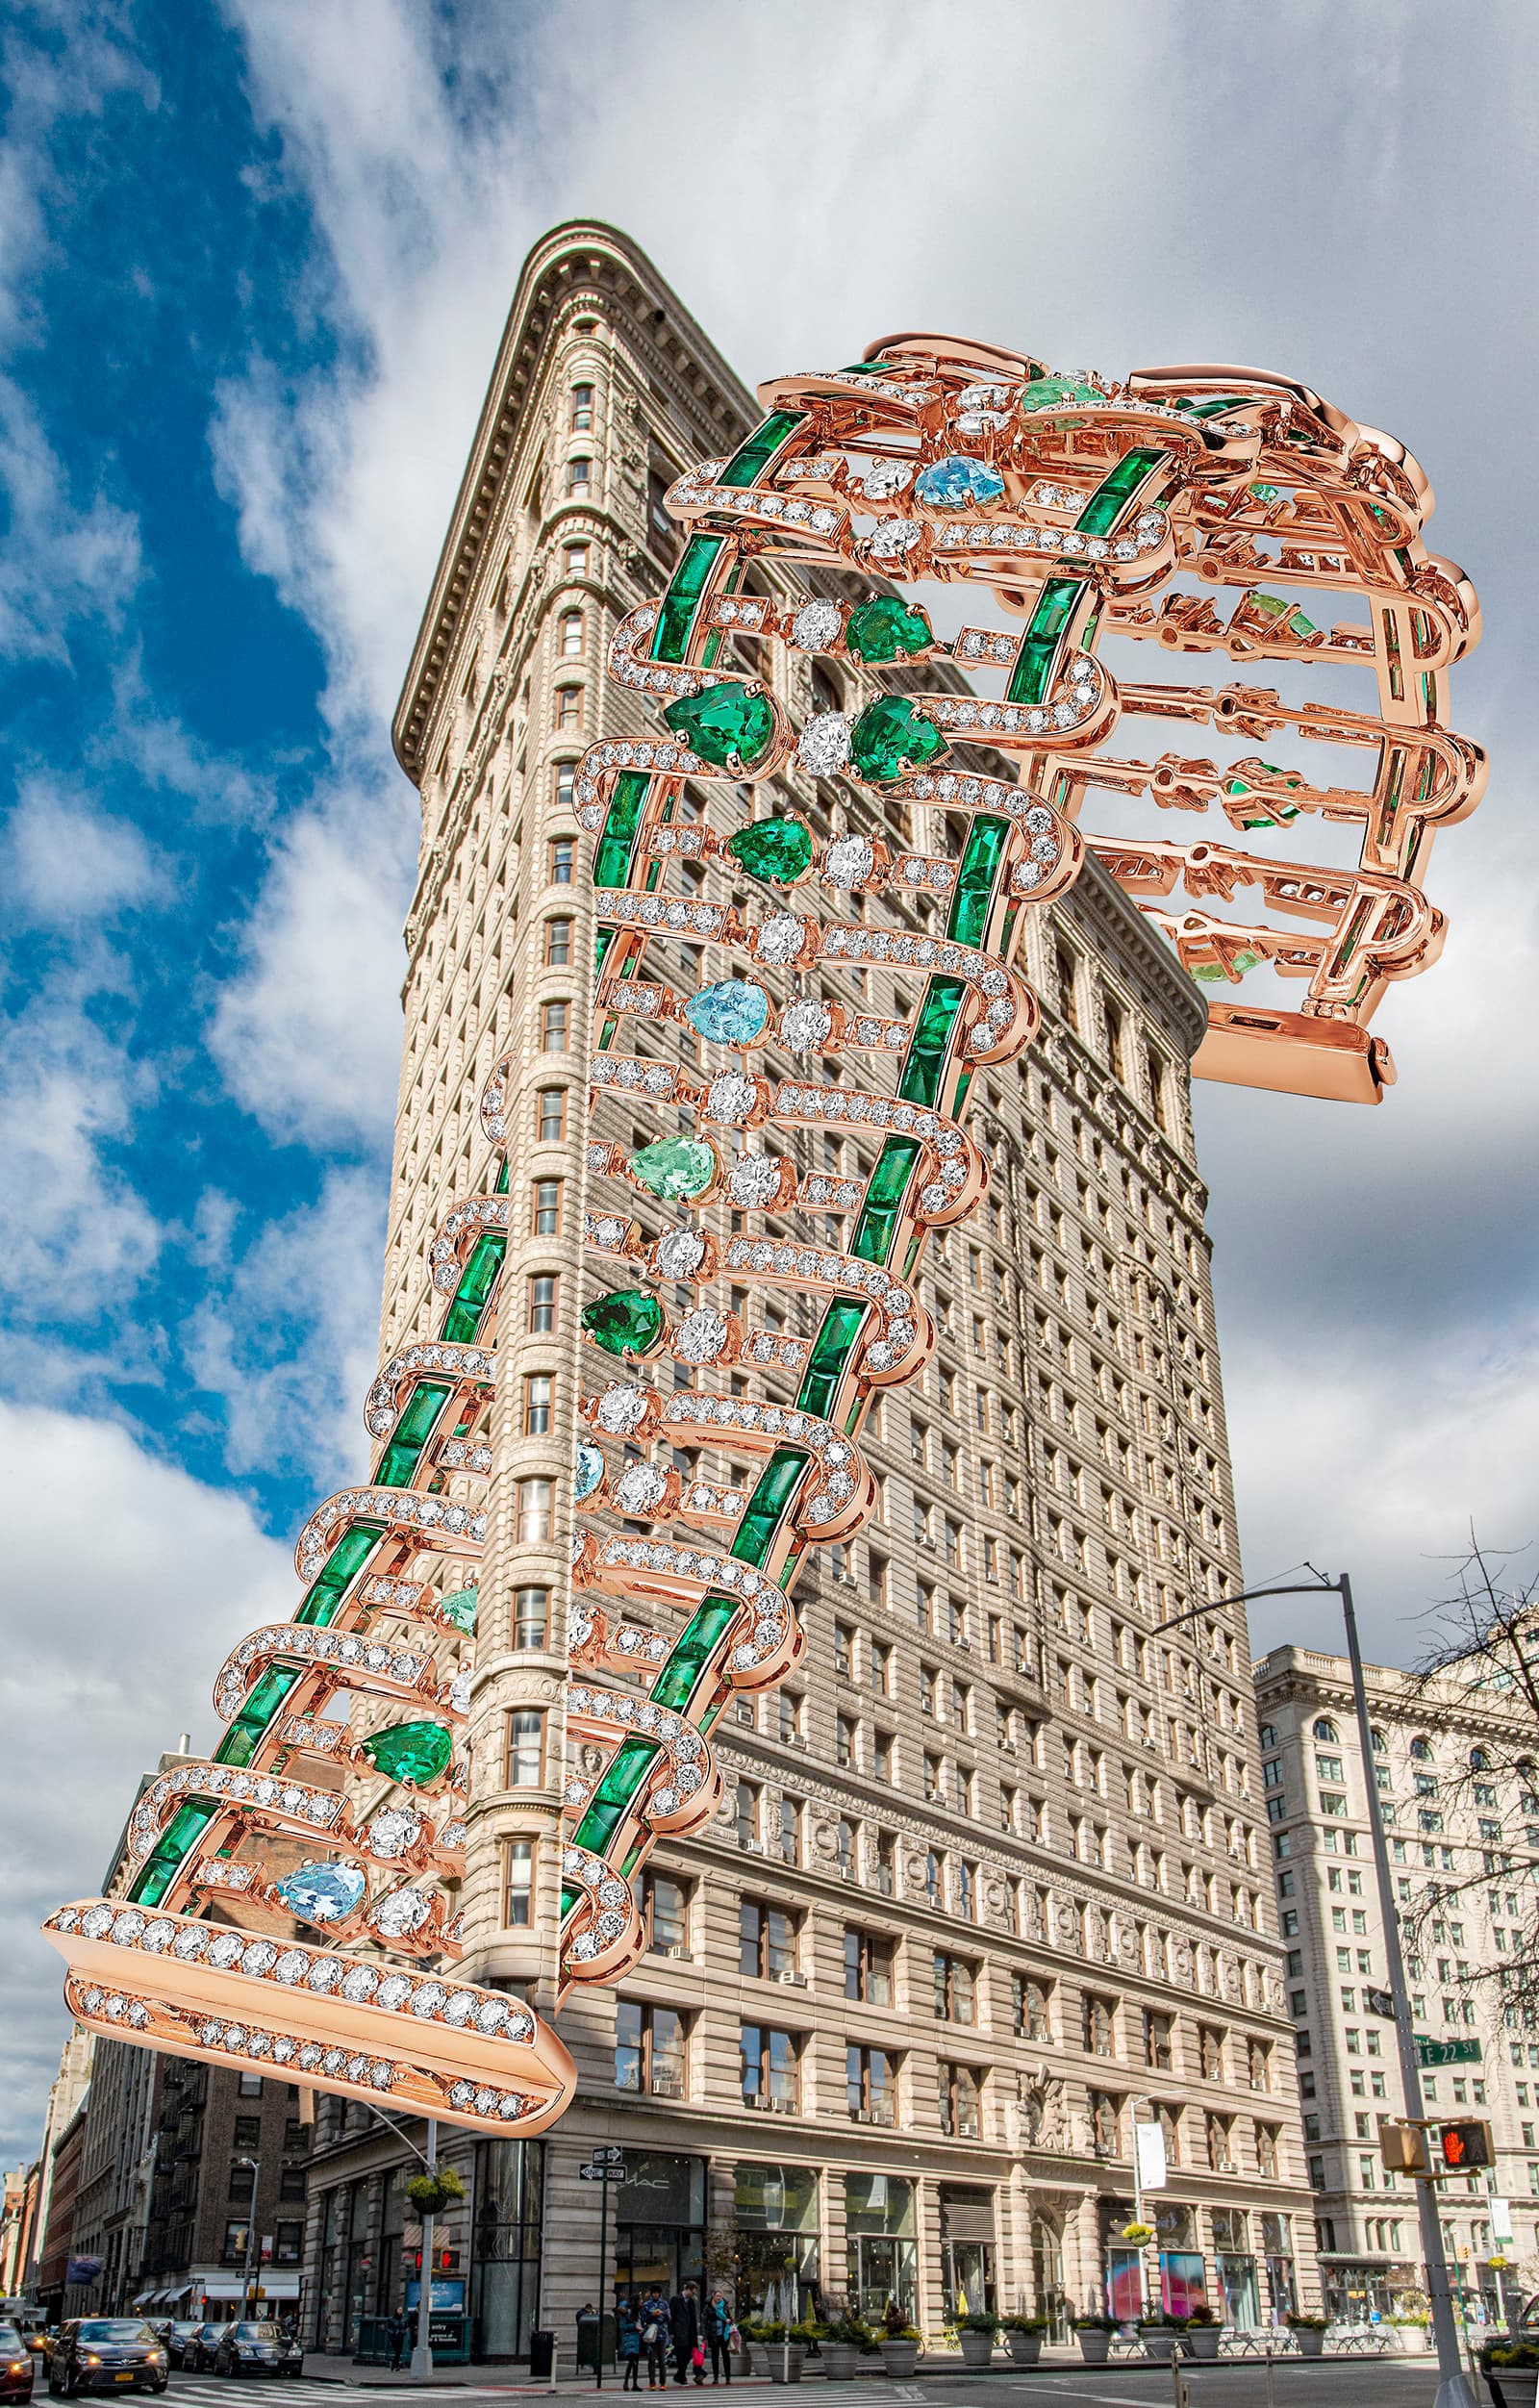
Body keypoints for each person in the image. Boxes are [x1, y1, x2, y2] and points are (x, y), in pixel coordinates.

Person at [669, 2282, 703, 2387]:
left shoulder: (691, 2301)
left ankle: (679, 2375)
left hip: (690, 2332)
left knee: (688, 2355)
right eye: (692, 2292)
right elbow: (671, 2316)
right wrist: (671, 2332)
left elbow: (693, 2317)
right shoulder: (676, 2299)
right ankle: (682, 2376)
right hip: (679, 2331)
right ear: (688, 2289)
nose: (693, 2295)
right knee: (681, 2355)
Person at [641, 2289, 670, 2392]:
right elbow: (643, 2318)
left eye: (657, 2293)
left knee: (662, 2360)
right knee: (651, 2360)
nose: (655, 2294)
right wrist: (651, 2315)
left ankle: (663, 2383)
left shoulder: (664, 2304)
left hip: (662, 2334)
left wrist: (664, 2314)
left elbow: (669, 2318)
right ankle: (652, 2382)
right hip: (651, 2334)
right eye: (654, 2293)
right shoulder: (647, 2305)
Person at [705, 2292, 734, 2386]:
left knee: (726, 2356)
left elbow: (730, 2318)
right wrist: (706, 2334)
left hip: (724, 2334)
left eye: (720, 2296)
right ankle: (715, 2377)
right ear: (713, 2297)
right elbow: (705, 2320)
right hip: (713, 2334)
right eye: (717, 2296)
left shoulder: (725, 2306)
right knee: (715, 2357)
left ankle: (728, 2377)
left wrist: (729, 2321)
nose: (718, 2298)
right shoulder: (709, 2307)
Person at [618, 2298, 643, 2393]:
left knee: (635, 2362)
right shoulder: (627, 2314)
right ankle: (627, 2382)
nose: (642, 2303)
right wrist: (634, 2327)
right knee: (632, 2361)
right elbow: (623, 2326)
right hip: (631, 2339)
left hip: (637, 2339)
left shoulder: (639, 2313)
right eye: (640, 2301)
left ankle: (634, 2383)